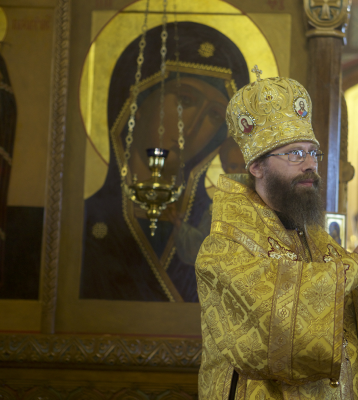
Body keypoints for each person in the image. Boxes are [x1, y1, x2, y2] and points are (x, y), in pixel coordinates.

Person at [196, 75, 358, 398]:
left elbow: (354, 326)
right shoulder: (224, 247)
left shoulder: (317, 240)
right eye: (294, 153)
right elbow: (275, 328)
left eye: (313, 153)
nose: (310, 165)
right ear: (256, 166)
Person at [80, 22, 249, 302]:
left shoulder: (218, 222)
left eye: (215, 116)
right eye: (185, 100)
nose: (191, 128)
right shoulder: (83, 219)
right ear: (138, 100)